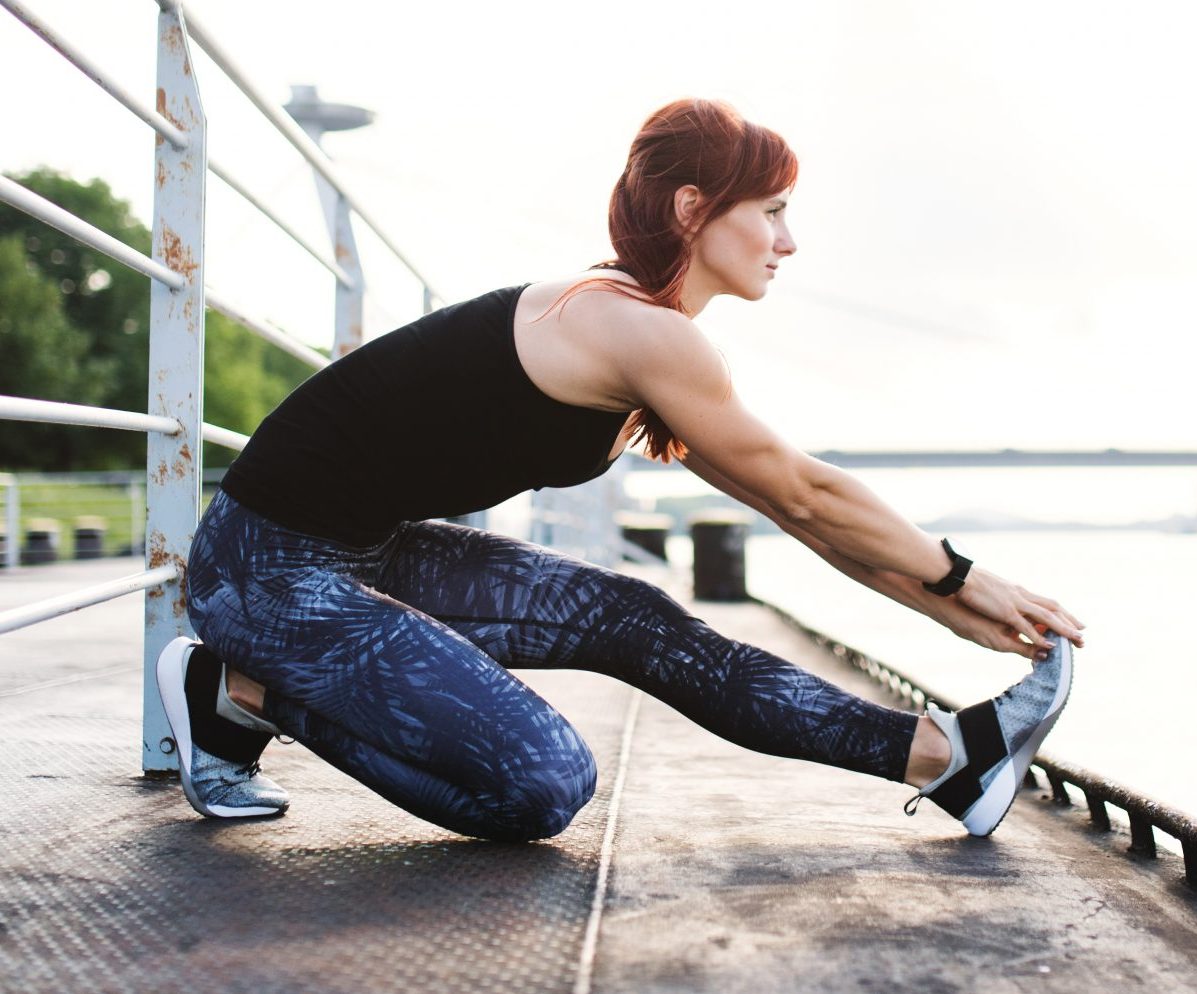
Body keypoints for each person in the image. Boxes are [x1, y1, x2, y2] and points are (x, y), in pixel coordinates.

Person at [157, 97, 1085, 842]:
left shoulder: (641, 330)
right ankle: (237, 690)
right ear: (694, 209)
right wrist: (964, 576)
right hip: (265, 569)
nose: (789, 243)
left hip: (365, 552)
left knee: (641, 622)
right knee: (543, 783)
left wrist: (952, 612)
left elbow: (798, 515)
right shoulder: (633, 328)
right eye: (772, 213)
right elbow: (807, 488)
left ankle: (949, 762)